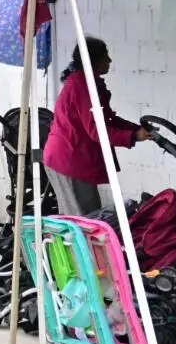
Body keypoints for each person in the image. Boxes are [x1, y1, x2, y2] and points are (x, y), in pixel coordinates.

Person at [42, 38, 151, 217]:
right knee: (84, 220)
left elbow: (107, 119)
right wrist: (132, 136)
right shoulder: (83, 85)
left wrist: (135, 129)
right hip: (69, 160)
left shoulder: (88, 81)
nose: (109, 61)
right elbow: (97, 130)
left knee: (84, 217)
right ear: (93, 60)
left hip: (72, 158)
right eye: (105, 56)